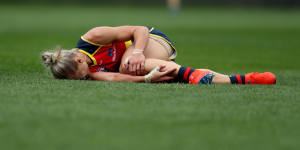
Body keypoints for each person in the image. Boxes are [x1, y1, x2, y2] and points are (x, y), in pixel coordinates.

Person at [41, 25, 276, 84]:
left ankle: (186, 74)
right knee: (172, 76)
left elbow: (139, 30)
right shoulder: (89, 72)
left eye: (80, 75)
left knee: (126, 64)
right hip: (140, 62)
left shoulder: (92, 37)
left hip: (151, 40)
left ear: (80, 59)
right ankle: (243, 79)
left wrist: (138, 52)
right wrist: (147, 78)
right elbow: (114, 79)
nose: (85, 78)